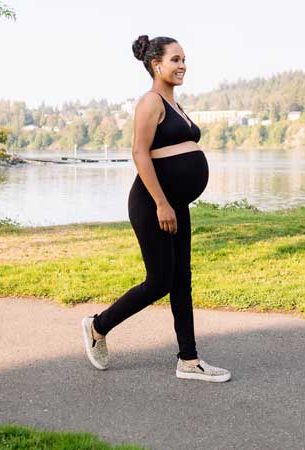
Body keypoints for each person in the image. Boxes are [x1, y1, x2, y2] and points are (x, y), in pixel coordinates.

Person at [81, 35, 231, 383]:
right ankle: (97, 326)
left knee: (182, 279)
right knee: (160, 280)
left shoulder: (174, 103)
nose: (182, 66)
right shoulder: (150, 102)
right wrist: (162, 202)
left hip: (175, 202)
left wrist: (174, 200)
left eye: (184, 60)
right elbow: (139, 152)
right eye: (175, 59)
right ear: (156, 65)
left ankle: (189, 360)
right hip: (153, 203)